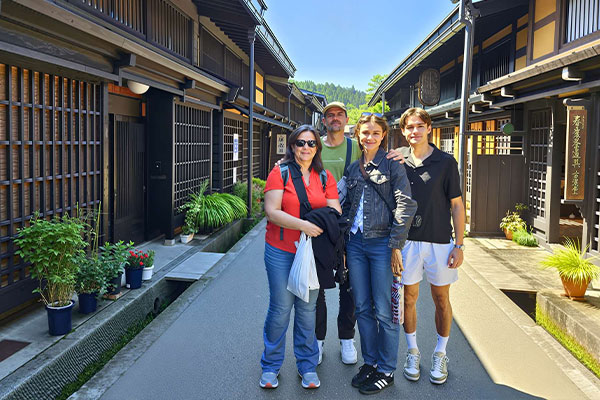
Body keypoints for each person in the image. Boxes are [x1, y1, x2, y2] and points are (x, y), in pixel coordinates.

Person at [261, 124, 341, 390]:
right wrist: (304, 225)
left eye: (311, 143)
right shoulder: (280, 172)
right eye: (300, 143)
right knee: (281, 308)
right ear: (293, 146)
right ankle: (270, 365)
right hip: (281, 249)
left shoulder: (324, 177)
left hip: (312, 252)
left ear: (317, 147)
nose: (306, 147)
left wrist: (316, 222)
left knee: (307, 310)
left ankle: (307, 365)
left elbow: (335, 211)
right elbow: (272, 211)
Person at [341, 113, 417, 394]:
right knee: (361, 307)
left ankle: (386, 369)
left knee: (384, 310)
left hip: (382, 244)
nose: (370, 137)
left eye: (375, 133)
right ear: (358, 135)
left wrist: (396, 245)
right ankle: (370, 362)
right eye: (365, 132)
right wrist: (343, 245)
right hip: (355, 244)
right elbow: (346, 206)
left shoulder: (393, 164)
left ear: (383, 135)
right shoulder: (353, 168)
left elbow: (405, 204)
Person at [397, 107, 465, 385]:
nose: (414, 131)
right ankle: (412, 351)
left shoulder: (445, 162)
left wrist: (459, 245)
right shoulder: (397, 159)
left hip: (439, 241)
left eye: (419, 126)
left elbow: (457, 205)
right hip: (408, 241)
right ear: (403, 131)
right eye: (409, 127)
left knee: (441, 299)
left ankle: (440, 353)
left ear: (428, 128)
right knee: (408, 298)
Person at [317, 101, 361, 365]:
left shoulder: (356, 147)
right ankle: (318, 339)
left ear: (346, 119)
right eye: (330, 115)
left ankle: (347, 338)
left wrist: (398, 154)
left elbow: (377, 161)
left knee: (349, 284)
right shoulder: (315, 146)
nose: (335, 118)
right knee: (317, 283)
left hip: (349, 223)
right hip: (319, 223)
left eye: (339, 115)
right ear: (324, 121)